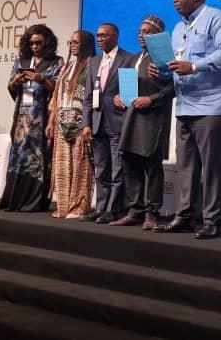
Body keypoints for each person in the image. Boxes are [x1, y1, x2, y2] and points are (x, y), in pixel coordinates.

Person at [153, 0, 221, 239]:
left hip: (212, 104)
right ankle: (184, 216)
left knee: (211, 164)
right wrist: (161, 71)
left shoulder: (216, 18)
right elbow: (175, 64)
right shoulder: (179, 28)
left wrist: (194, 66)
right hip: (184, 105)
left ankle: (212, 219)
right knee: (186, 165)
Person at [109, 15, 175, 230]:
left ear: (158, 36)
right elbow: (126, 88)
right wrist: (118, 97)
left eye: (146, 32)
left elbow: (173, 88)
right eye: (139, 31)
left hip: (153, 119)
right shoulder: (134, 58)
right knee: (130, 163)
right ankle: (135, 211)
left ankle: (152, 213)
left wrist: (151, 99)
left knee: (152, 167)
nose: (141, 35)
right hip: (130, 118)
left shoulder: (165, 59)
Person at [0, 24, 62, 212]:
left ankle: (35, 201)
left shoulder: (55, 62)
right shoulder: (21, 61)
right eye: (31, 43)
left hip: (42, 116)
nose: (34, 46)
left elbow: (59, 90)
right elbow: (11, 86)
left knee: (39, 157)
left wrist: (41, 79)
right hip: (22, 116)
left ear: (47, 43)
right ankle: (15, 200)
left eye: (38, 43)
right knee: (18, 156)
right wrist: (16, 81)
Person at [80, 23, 135, 224]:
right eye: (98, 36)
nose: (99, 39)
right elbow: (88, 96)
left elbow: (130, 93)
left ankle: (114, 209)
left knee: (117, 169)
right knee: (101, 168)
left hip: (118, 121)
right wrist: (86, 124)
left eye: (104, 35)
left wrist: (123, 97)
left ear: (115, 36)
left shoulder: (128, 59)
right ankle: (101, 207)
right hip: (97, 122)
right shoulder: (94, 61)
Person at [46, 30, 97, 219]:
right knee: (62, 167)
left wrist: (88, 123)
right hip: (62, 123)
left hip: (81, 123)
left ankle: (79, 206)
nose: (72, 45)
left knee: (81, 167)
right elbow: (56, 97)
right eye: (70, 42)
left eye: (76, 42)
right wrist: (51, 121)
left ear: (86, 44)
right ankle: (64, 206)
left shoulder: (93, 65)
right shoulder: (66, 67)